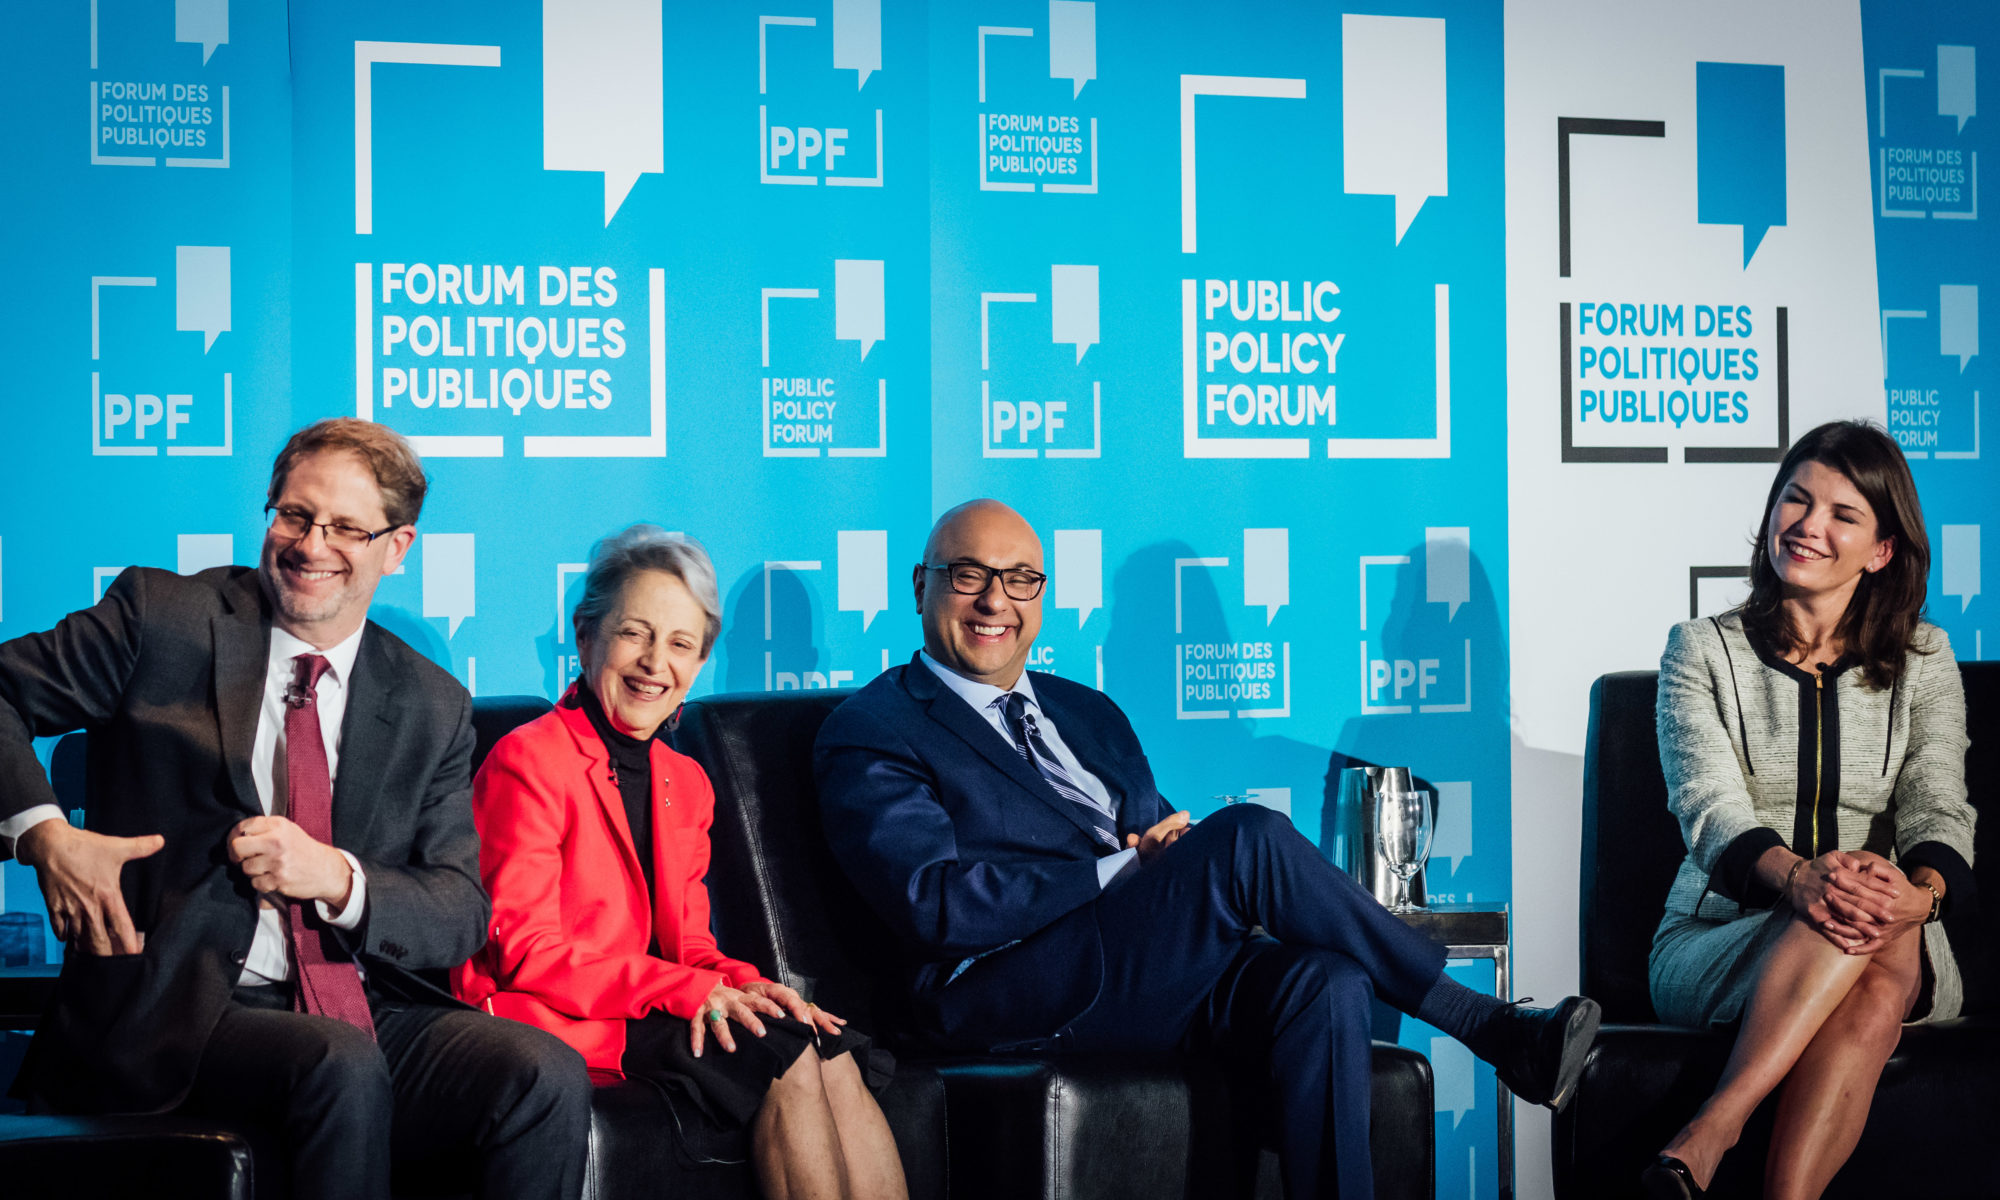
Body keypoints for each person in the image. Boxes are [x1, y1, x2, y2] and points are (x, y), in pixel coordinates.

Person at [813, 498, 1602, 1198]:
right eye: (968, 575)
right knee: (1247, 837)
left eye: (1021, 579)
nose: (996, 600)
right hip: (1005, 989)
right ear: (921, 586)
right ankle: (1490, 1028)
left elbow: (1153, 838)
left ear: (1042, 598)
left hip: (1139, 972)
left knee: (1323, 982)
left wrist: (1163, 858)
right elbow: (934, 903)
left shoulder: (1086, 711)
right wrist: (1120, 869)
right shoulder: (875, 727)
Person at [0, 418, 592, 1200]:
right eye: (294, 515)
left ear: (398, 546)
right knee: (335, 1063)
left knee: (542, 1071)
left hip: (352, 1001)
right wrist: (44, 836)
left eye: (347, 527)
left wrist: (338, 878)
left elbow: (458, 911)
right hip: (173, 1010)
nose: (312, 545)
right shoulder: (164, 618)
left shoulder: (431, 703)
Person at [454, 525, 907, 1200]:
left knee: (822, 1044)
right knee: (779, 1060)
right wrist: (687, 991)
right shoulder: (530, 760)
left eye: (680, 644)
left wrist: (747, 986)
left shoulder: (685, 780)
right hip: (548, 1014)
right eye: (635, 633)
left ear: (698, 666)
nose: (653, 663)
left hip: (645, 1006)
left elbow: (690, 945)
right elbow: (525, 952)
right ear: (586, 637)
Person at [1641, 421, 1976, 1200]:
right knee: (1859, 928)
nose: (1808, 526)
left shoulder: (1924, 662)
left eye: (1842, 514)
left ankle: (1712, 1129)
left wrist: (1915, 897)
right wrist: (1800, 880)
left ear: (1883, 549)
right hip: (1715, 939)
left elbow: (1941, 807)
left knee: (1875, 922)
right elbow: (1707, 805)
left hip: (1898, 929)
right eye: (1795, 500)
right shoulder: (1700, 649)